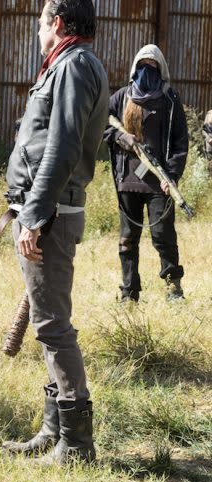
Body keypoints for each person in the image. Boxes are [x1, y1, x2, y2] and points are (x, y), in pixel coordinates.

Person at [0, 0, 108, 465]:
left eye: (41, 20)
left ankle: (78, 445)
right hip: (50, 212)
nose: (37, 28)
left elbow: (62, 146)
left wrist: (34, 215)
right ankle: (54, 429)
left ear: (57, 23)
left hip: (52, 215)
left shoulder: (74, 65)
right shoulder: (70, 63)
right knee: (49, 322)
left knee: (52, 327)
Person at [103, 45, 188, 302]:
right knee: (127, 240)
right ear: (134, 68)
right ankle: (129, 292)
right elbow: (100, 124)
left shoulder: (170, 100)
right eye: (142, 66)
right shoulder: (121, 97)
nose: (146, 71)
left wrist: (171, 175)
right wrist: (120, 137)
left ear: (161, 69)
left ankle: (174, 290)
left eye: (152, 67)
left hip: (159, 183)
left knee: (163, 236)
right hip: (127, 180)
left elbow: (180, 142)